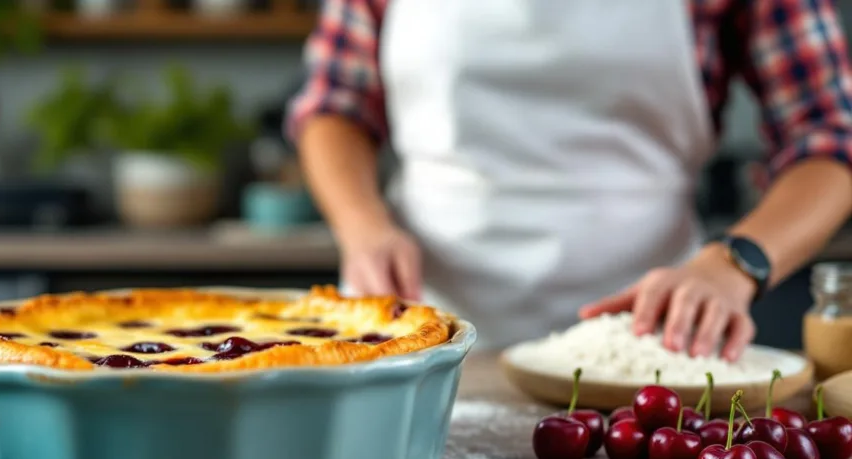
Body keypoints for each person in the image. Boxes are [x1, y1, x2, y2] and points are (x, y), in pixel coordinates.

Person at [284, 0, 852, 358]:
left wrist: (735, 263)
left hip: (650, 339)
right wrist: (363, 227)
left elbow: (830, 136)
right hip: (418, 329)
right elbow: (336, 104)